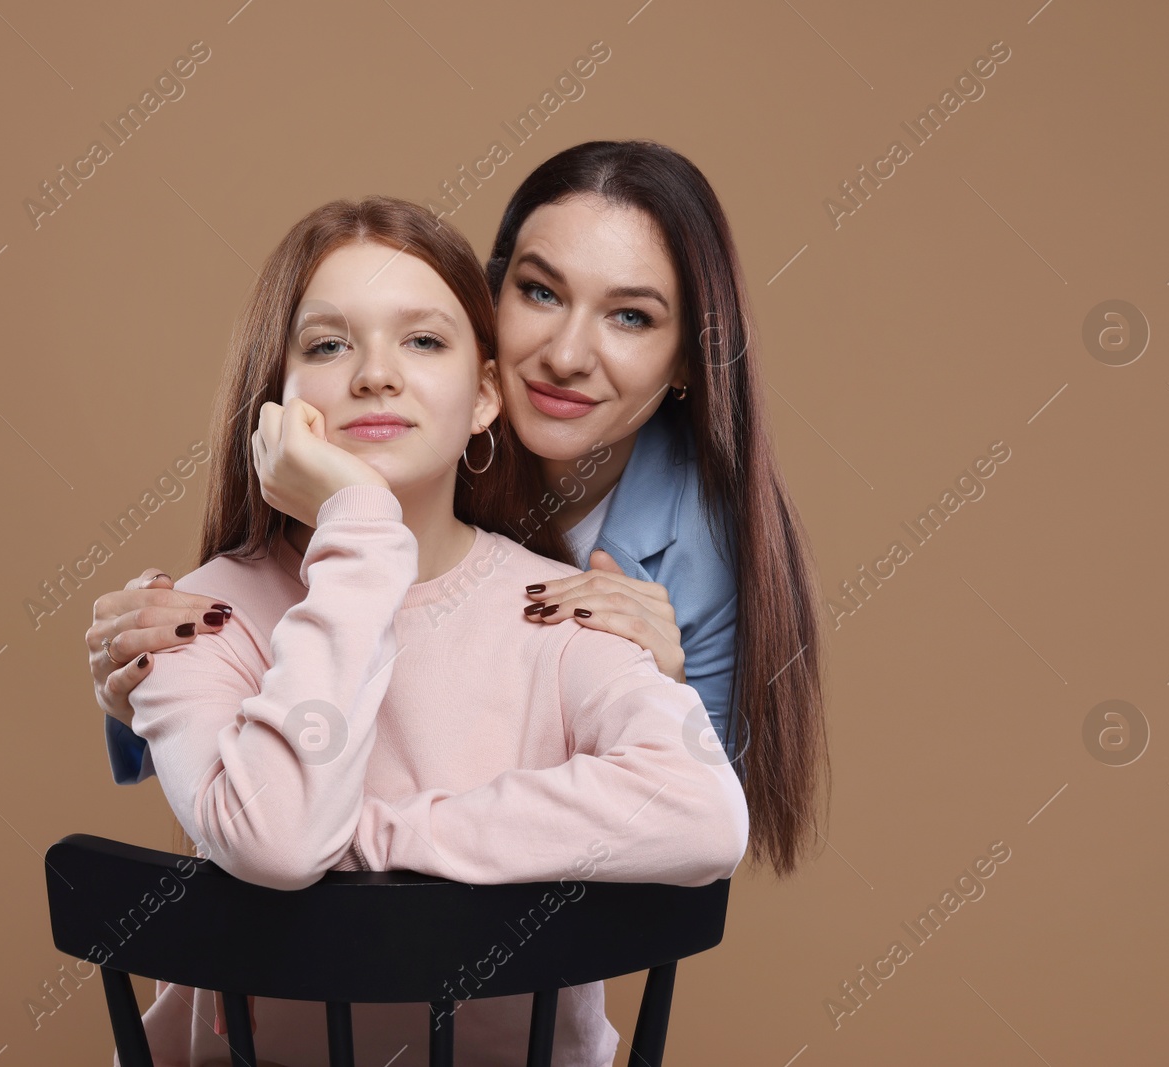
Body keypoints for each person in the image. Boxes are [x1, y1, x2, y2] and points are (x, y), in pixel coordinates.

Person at [119, 194, 748, 1067]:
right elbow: (278, 838)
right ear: (277, 404)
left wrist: (371, 842)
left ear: (486, 391)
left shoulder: (567, 607)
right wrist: (363, 534)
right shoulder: (196, 615)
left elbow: (704, 813)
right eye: (329, 344)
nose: (375, 374)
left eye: (422, 341)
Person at [91, 139, 829, 880]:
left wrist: (363, 850)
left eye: (631, 317)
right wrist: (140, 694)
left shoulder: (681, 559)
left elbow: (692, 814)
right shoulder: (405, 442)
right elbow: (256, 792)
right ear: (492, 300)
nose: (566, 355)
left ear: (687, 364)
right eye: (541, 292)